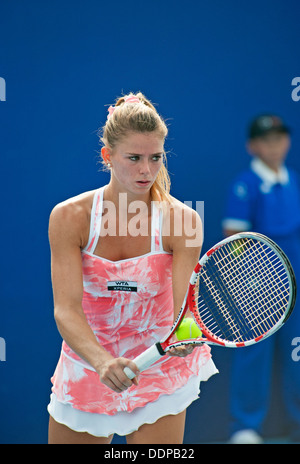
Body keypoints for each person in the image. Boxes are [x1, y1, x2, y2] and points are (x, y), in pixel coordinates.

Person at [47, 92, 218, 444]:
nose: (146, 170)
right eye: (134, 158)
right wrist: (101, 362)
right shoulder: (69, 217)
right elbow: (65, 309)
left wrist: (185, 335)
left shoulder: (183, 222)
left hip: (158, 370)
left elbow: (183, 312)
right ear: (107, 156)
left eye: (155, 158)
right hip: (87, 365)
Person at [222, 114, 300, 444]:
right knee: (254, 355)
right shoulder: (245, 184)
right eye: (266, 140)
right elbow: (234, 236)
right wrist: (246, 282)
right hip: (260, 289)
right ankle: (246, 427)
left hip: (295, 284)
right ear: (252, 146)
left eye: (280, 138)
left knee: (297, 354)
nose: (275, 145)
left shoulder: (294, 179)